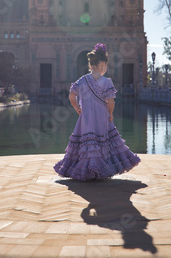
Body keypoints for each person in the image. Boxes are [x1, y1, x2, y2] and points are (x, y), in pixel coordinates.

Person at [54, 43, 141, 181]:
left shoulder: (81, 80)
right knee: (105, 142)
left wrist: (77, 108)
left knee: (86, 144)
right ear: (102, 64)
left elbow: (71, 96)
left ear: (90, 65)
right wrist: (111, 113)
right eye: (106, 65)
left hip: (85, 120)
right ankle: (101, 169)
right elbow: (111, 102)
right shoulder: (106, 82)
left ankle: (84, 168)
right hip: (102, 119)